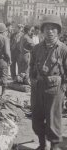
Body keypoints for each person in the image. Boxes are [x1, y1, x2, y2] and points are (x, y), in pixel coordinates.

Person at [30, 14, 67, 150]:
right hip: (38, 88)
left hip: (55, 89)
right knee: (37, 118)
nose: (50, 32)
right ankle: (41, 143)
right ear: (43, 31)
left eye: (53, 29)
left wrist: (64, 86)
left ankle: (54, 145)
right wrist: (32, 80)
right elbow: (31, 66)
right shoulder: (36, 48)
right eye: (47, 29)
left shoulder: (63, 49)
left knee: (54, 119)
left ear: (58, 31)